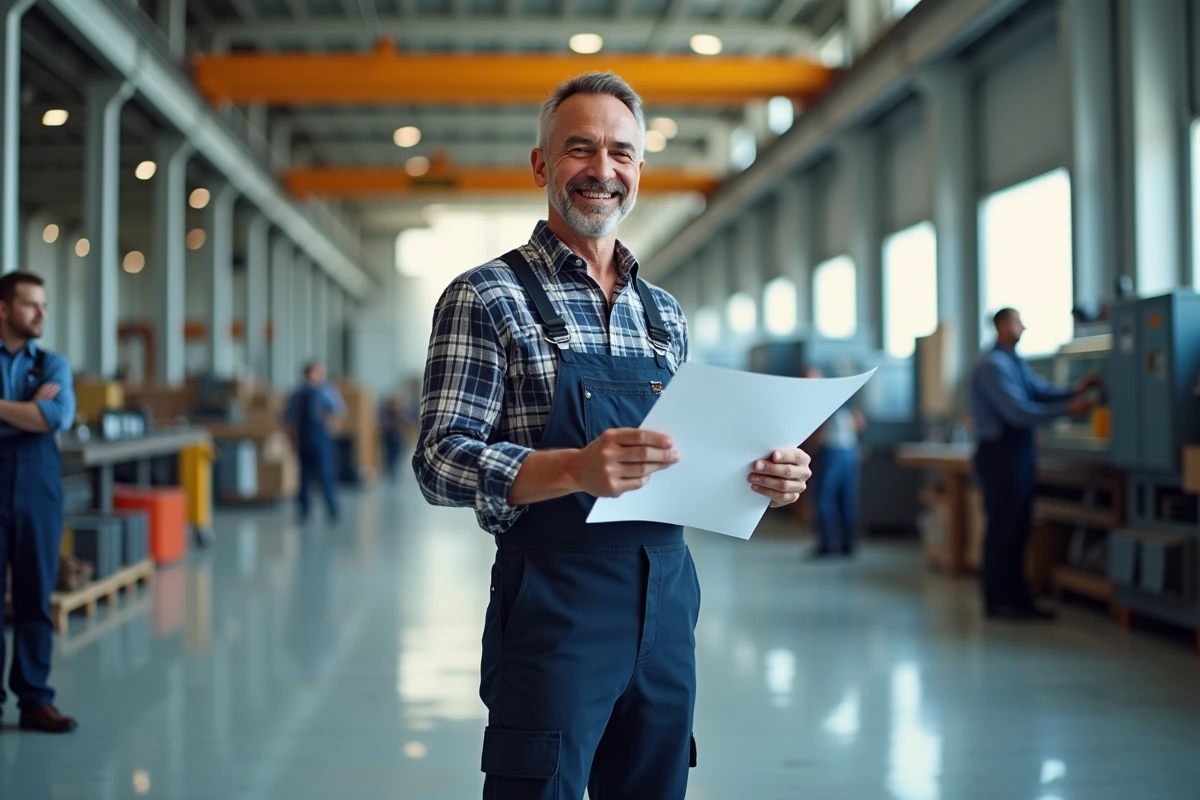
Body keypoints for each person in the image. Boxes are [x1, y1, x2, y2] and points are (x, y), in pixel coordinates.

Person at [412, 72, 812, 800]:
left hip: (668, 602)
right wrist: (574, 469)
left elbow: (694, 456)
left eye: (621, 153)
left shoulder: (665, 314)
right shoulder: (487, 296)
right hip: (553, 604)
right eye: (581, 149)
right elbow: (440, 461)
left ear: (640, 169)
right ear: (542, 164)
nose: (603, 170)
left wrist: (762, 477)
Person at [970, 308, 1099, 621]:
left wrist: (1075, 390)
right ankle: (998, 600)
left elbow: (1040, 393)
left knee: (1019, 527)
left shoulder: (1014, 362)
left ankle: (1018, 599)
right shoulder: (992, 365)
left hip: (1019, 452)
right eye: (1017, 322)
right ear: (1002, 325)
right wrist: (1068, 409)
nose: (1023, 327)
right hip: (1000, 455)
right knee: (1004, 528)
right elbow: (1018, 412)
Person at [0, 271, 78, 733]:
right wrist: (25, 410)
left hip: (38, 486)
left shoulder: (53, 364)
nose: (41, 313)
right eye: (31, 304)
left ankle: (34, 700)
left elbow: (55, 416)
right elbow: (36, 415)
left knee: (35, 594)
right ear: (4, 308)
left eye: (44, 305)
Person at [803, 366, 866, 558]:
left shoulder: (822, 399)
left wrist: (812, 446)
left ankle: (828, 544)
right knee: (845, 498)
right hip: (849, 451)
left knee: (824, 498)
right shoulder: (844, 397)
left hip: (832, 452)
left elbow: (820, 432)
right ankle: (848, 544)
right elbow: (860, 422)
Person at [284, 362, 344, 523]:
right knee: (303, 476)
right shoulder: (299, 394)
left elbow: (338, 410)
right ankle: (304, 509)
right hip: (304, 438)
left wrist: (332, 425)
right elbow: (290, 418)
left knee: (326, 473)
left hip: (322, 437)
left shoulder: (326, 391)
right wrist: (292, 438)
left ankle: (331, 507)